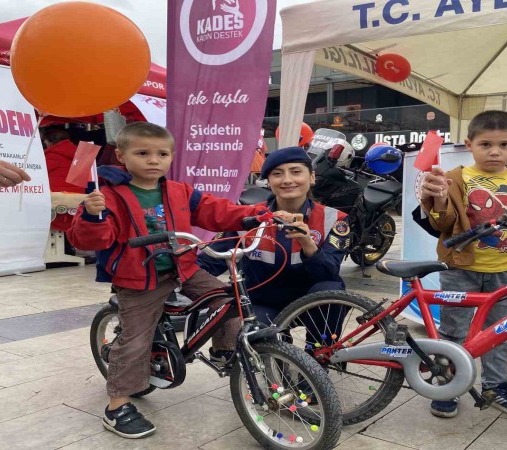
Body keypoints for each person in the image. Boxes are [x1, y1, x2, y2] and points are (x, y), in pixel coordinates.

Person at [66, 122, 263, 440]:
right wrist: (92, 215)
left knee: (229, 300)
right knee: (136, 341)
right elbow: (92, 240)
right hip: (138, 277)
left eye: (162, 154)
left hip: (182, 266)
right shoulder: (108, 196)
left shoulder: (178, 191)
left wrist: (257, 214)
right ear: (122, 156)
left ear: (171, 157)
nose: (153, 160)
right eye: (142, 153)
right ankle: (117, 407)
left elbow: (216, 211)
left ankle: (224, 351)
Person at [419, 110, 507, 419]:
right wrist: (439, 200)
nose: (495, 152)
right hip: (461, 269)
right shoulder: (455, 178)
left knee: (497, 333)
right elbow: (444, 224)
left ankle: (495, 386)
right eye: (485, 144)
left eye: (503, 145)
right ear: (469, 144)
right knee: (453, 331)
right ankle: (448, 385)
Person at [198, 146, 350, 327]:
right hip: (263, 303)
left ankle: (320, 346)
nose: (287, 180)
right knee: (252, 333)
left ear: (311, 177)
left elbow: (328, 272)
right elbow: (210, 261)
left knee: (330, 289)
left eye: (296, 172)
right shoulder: (248, 217)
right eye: (277, 174)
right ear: (268, 182)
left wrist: (307, 243)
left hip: (312, 303)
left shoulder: (334, 218)